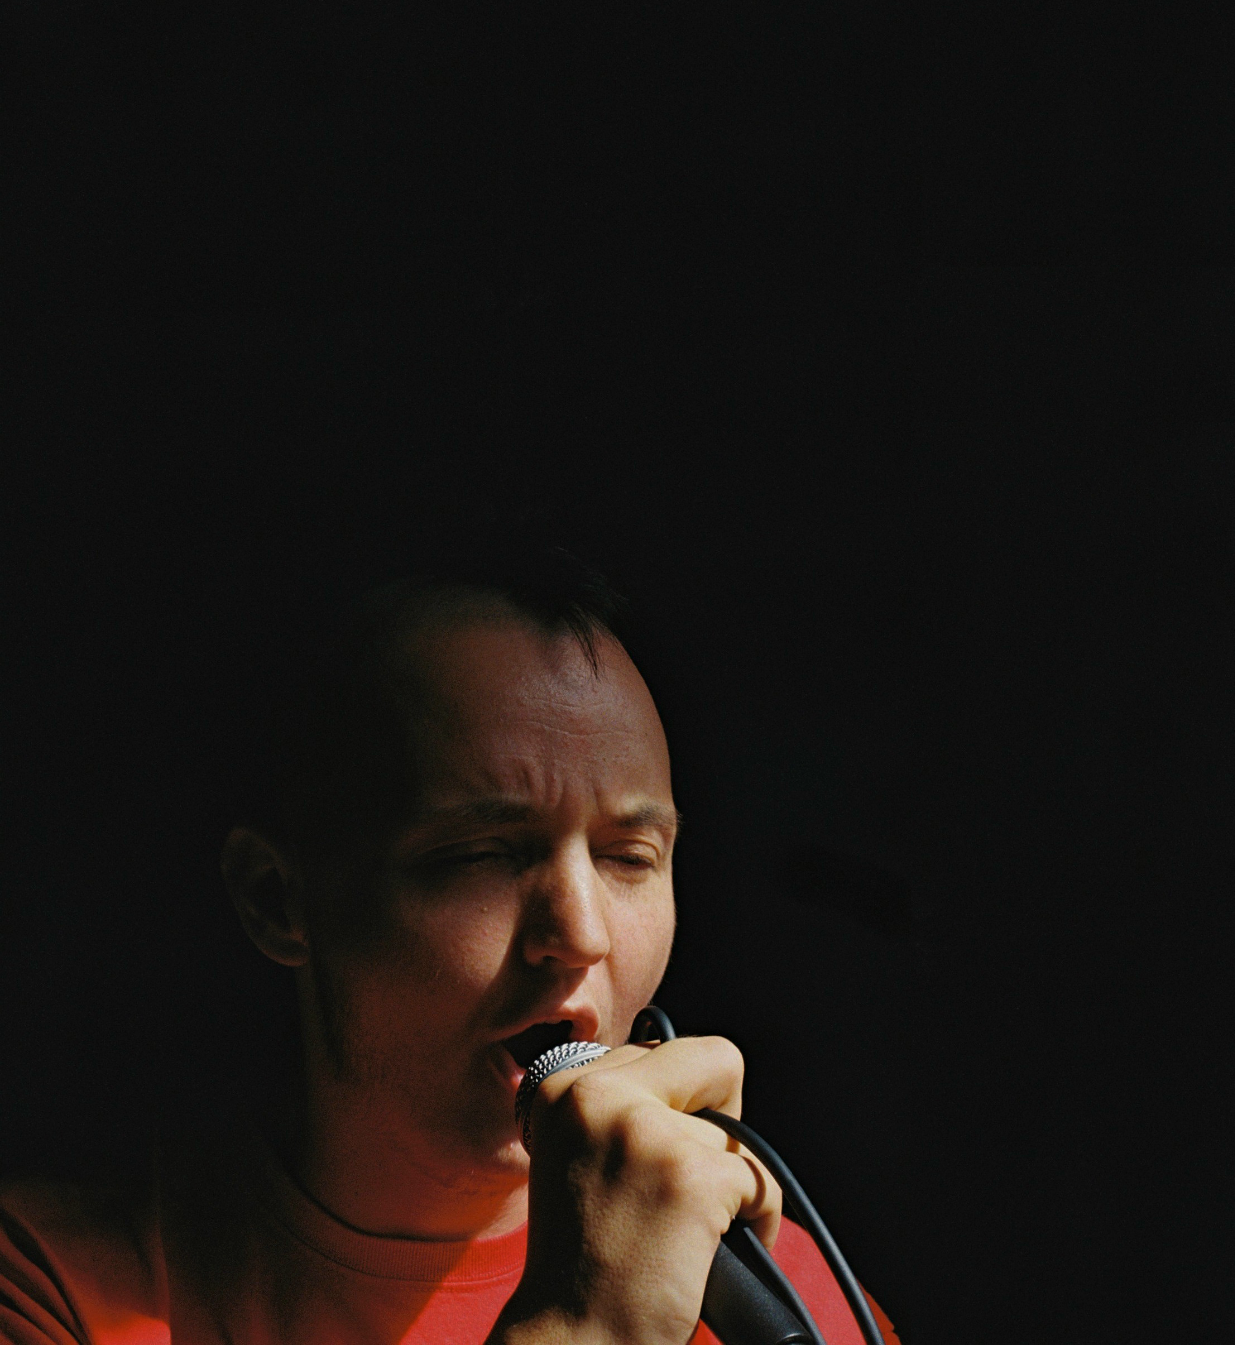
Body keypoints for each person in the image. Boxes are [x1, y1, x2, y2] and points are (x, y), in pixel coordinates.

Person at [0, 530, 898, 1345]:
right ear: (276, 900)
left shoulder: (787, 1300)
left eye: (629, 857)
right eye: (482, 856)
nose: (580, 934)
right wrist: (586, 1325)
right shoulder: (50, 1284)